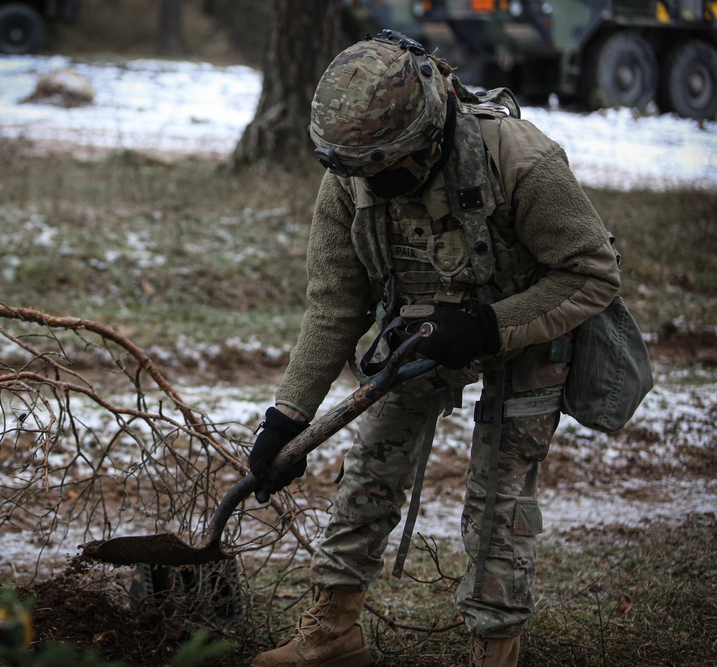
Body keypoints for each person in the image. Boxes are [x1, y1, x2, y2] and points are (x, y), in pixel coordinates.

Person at [247, 31, 621, 667]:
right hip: (419, 327)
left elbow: (592, 273)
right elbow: (336, 304)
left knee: (499, 497)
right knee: (369, 469)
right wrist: (287, 417)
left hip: (527, 323)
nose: (374, 183)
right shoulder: (352, 169)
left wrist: (486, 328)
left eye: (389, 170)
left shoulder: (520, 160)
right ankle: (334, 630)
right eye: (359, 171)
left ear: (426, 136)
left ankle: (494, 648)